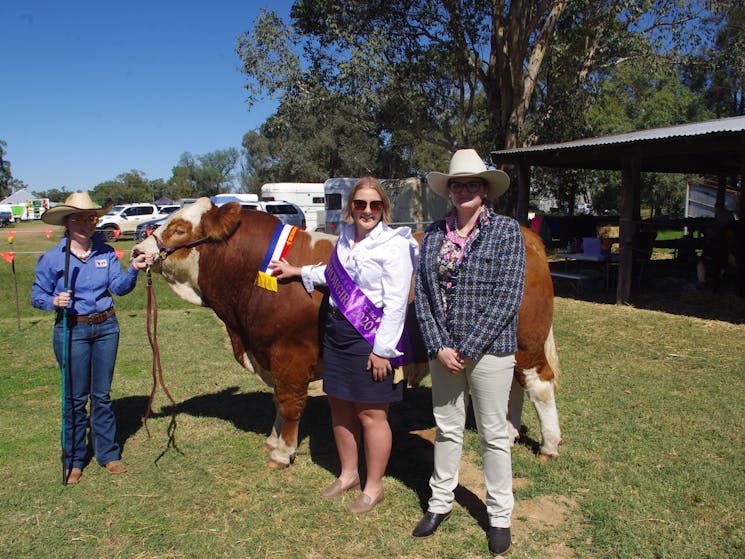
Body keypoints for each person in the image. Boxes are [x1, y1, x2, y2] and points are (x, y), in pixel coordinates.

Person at [269, 176, 418, 514]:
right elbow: (335, 274)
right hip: (336, 332)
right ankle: (348, 474)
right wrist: (297, 270)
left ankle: (373, 487)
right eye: (360, 204)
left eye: (375, 205)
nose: (367, 211)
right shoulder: (347, 237)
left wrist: (382, 350)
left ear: (383, 209)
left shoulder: (394, 245)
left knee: (370, 414)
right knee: (338, 406)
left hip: (370, 337)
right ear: (351, 207)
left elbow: (396, 303)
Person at [412, 149, 525, 556]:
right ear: (450, 191)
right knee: (447, 427)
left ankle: (499, 515)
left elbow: (507, 296)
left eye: (471, 184)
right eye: (457, 184)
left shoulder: (507, 232)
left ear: (485, 190)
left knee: (494, 434)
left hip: (491, 351)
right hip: (444, 352)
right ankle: (440, 503)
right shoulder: (434, 233)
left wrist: (467, 347)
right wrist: (439, 346)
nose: (463, 190)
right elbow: (423, 294)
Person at [32, 192, 152, 484]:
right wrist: (53, 302)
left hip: (106, 328)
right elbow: (37, 295)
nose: (87, 223)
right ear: (67, 223)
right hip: (72, 329)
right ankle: (73, 460)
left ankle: (108, 455)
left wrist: (133, 270)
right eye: (80, 218)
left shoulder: (107, 253)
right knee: (74, 399)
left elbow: (119, 289)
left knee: (101, 395)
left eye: (91, 218)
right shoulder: (52, 258)